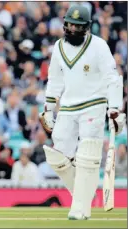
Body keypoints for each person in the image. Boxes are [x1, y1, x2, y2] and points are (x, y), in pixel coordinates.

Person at [39, 5, 126, 220]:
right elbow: (55, 80)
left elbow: (111, 77)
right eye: (70, 24)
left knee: (87, 154)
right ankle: (84, 194)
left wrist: (115, 109)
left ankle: (79, 207)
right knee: (57, 154)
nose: (73, 29)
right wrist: (49, 109)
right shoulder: (59, 47)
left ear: (87, 27)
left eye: (78, 26)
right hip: (68, 106)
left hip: (94, 103)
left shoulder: (99, 46)